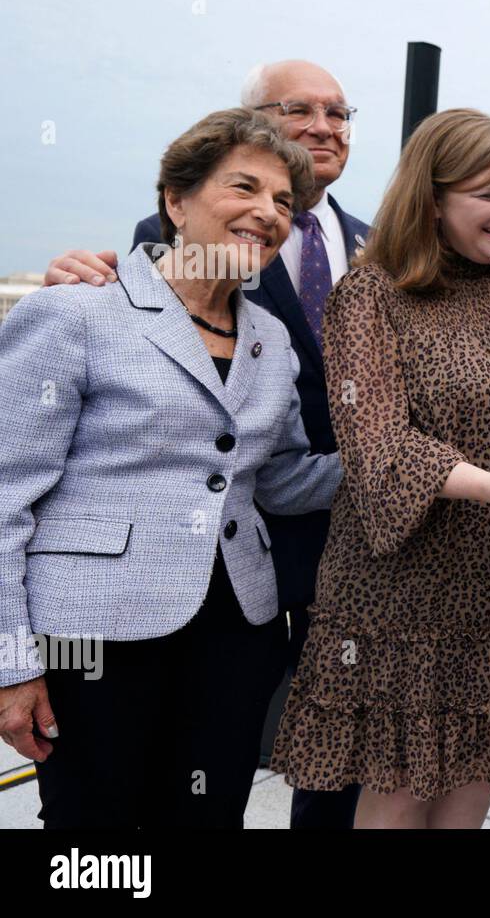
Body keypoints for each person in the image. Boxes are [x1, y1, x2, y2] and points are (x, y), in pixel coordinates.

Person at [42, 60, 370, 828]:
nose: (267, 211)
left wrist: (414, 467)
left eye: (283, 200)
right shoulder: (80, 310)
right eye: (245, 189)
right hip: (98, 635)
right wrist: (11, 664)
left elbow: (280, 476)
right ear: (175, 203)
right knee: (95, 837)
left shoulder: (269, 342)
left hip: (234, 628)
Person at [270, 108, 490, 829]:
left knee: (474, 778)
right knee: (402, 792)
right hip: (405, 597)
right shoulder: (372, 295)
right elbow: (374, 442)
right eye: (487, 194)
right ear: (432, 197)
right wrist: (482, 483)